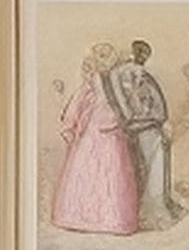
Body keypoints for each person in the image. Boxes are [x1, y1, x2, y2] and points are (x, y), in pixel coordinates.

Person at [50, 49, 139, 237]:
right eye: (101, 55)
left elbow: (126, 102)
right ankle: (85, 218)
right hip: (95, 128)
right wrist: (71, 121)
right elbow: (81, 99)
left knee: (112, 170)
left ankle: (113, 220)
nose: (104, 59)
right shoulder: (98, 79)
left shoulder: (116, 78)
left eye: (107, 55)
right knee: (91, 169)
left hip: (111, 128)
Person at [107, 40, 182, 227]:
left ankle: (151, 210)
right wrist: (158, 120)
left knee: (145, 168)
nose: (142, 58)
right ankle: (152, 213)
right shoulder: (132, 73)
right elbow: (144, 101)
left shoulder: (120, 74)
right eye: (142, 54)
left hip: (140, 125)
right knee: (152, 168)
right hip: (146, 125)